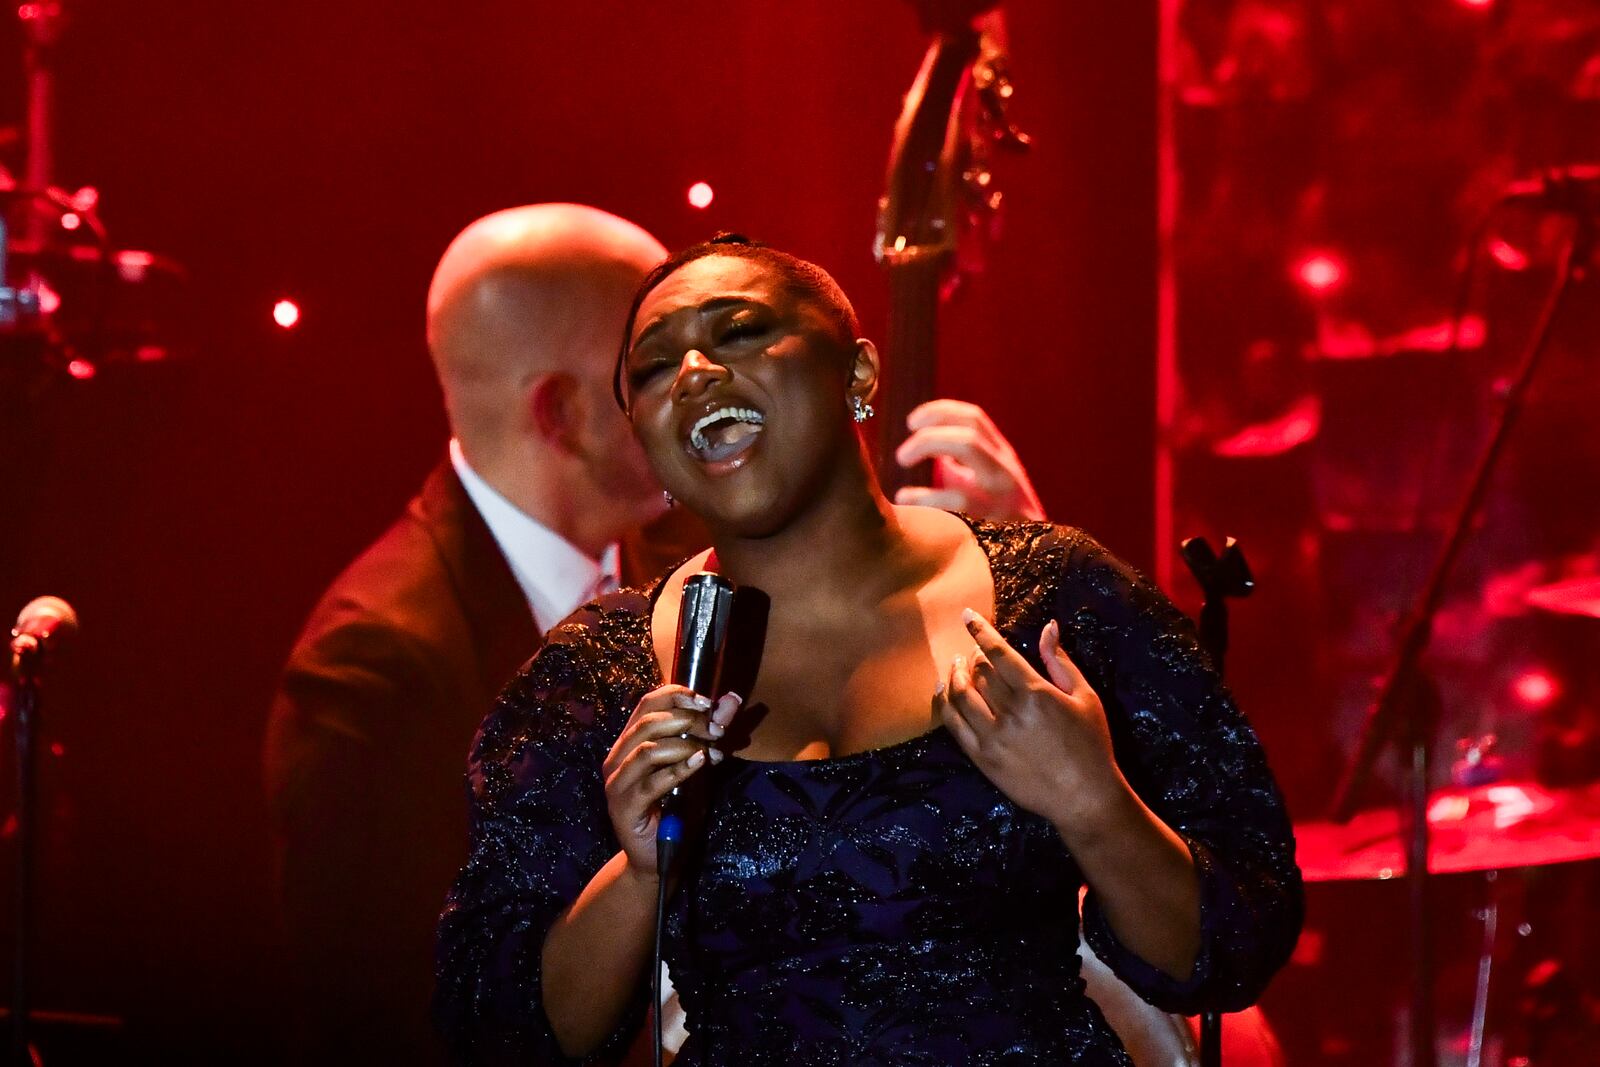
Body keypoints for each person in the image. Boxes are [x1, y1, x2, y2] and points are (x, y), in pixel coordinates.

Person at [434, 236, 1303, 1064]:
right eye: (653, 368)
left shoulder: (1053, 596)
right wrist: (637, 870)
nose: (693, 372)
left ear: (858, 373)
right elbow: (510, 1035)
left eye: (739, 331)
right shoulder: (602, 672)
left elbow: (1235, 941)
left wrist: (1094, 804)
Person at [265, 208, 1047, 1063]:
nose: (705, 383)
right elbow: (389, 1018)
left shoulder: (693, 562)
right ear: (563, 411)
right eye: (652, 364)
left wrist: (1010, 575)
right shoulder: (375, 671)